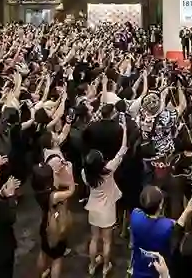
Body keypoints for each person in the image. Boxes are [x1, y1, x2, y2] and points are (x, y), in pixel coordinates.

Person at [83, 116, 128, 276]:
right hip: (108, 208)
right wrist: (124, 129)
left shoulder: (85, 173)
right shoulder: (108, 170)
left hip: (93, 208)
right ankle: (105, 266)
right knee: (107, 240)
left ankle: (91, 265)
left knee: (94, 238)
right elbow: (122, 150)